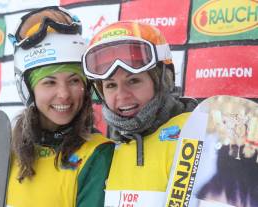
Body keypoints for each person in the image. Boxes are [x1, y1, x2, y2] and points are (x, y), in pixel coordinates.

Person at [5, 6, 114, 207]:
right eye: (49, 82)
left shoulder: (97, 154)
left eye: (74, 81)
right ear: (28, 90)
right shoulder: (7, 149)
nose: (64, 94)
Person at [82, 21, 197, 206]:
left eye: (134, 80)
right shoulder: (110, 149)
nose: (122, 96)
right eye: (111, 85)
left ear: (162, 80)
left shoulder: (196, 132)